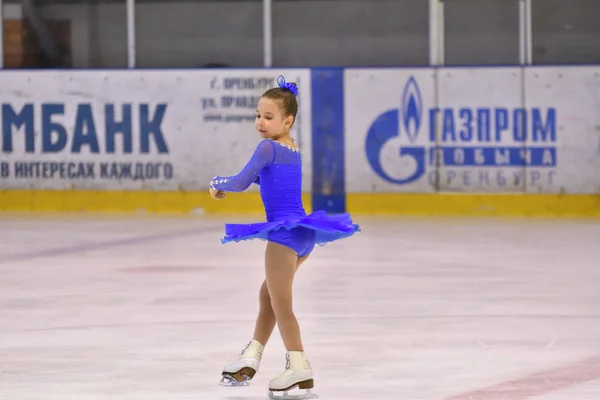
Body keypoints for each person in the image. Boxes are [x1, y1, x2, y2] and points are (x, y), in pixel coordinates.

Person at [210, 75, 359, 399]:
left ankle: (298, 366)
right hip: (303, 235)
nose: (260, 122)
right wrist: (235, 183)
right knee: (268, 300)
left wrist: (217, 182)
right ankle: (251, 357)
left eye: (268, 117)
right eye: (258, 116)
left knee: (281, 304)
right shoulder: (291, 149)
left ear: (287, 120)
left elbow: (239, 180)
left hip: (283, 235)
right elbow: (267, 183)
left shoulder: (266, 148)